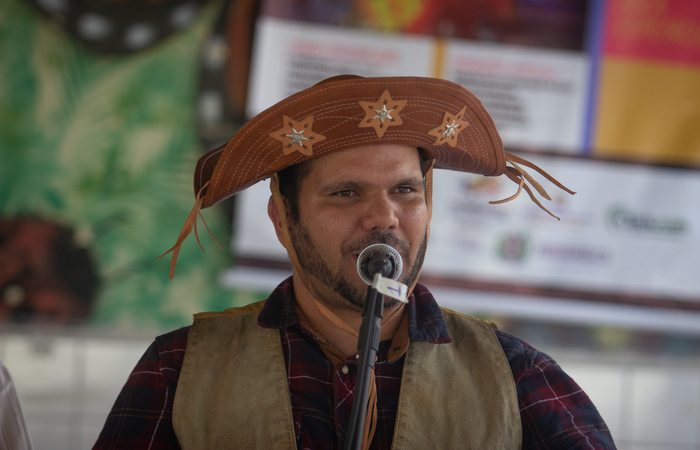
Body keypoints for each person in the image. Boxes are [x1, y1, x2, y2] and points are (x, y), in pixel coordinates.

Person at [94, 75, 616, 449]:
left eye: (406, 191)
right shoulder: (179, 369)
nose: (383, 217)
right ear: (282, 220)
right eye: (345, 193)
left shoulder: (517, 375)